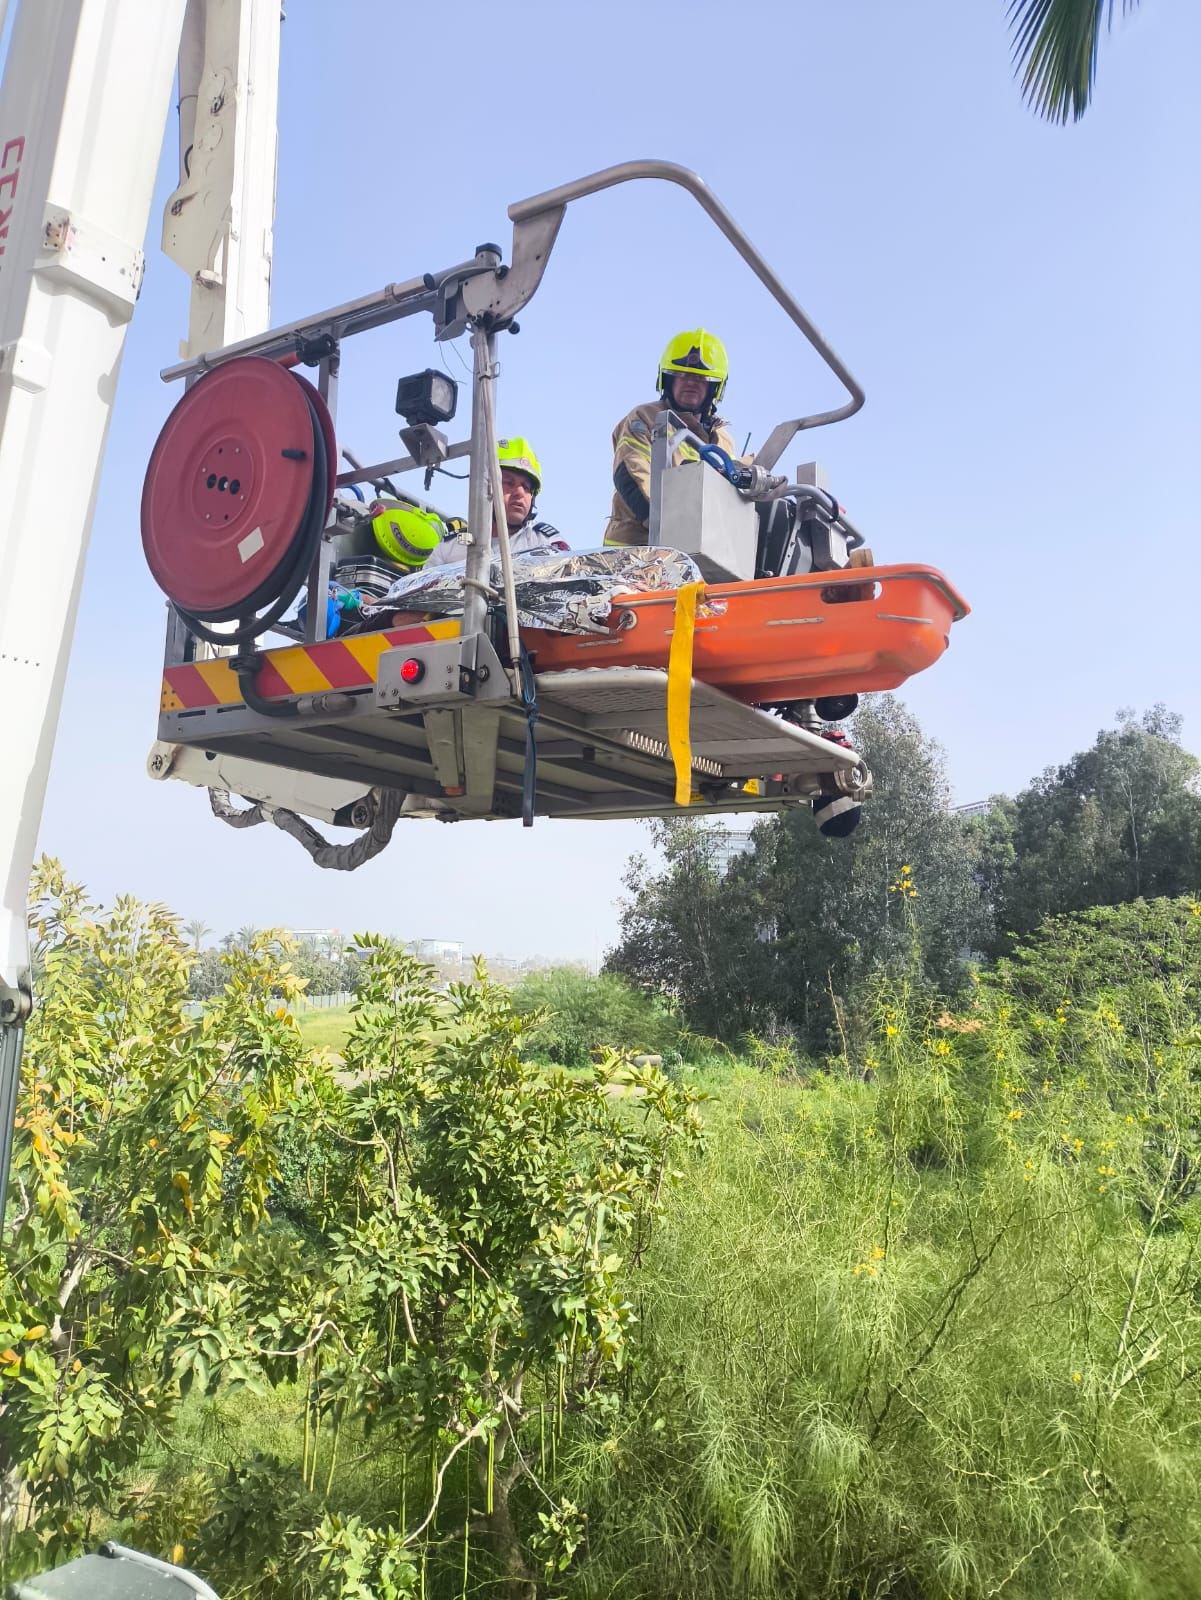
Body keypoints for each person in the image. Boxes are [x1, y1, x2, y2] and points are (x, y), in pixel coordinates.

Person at [605, 329, 743, 548]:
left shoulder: (723, 440)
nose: (691, 382)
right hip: (637, 550)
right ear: (668, 379)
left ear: (714, 387)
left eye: (700, 378)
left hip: (702, 552)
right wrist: (672, 523)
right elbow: (631, 471)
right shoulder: (646, 417)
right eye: (683, 375)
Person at [426, 436, 568, 566]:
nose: (520, 493)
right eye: (508, 482)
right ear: (484, 487)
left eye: (526, 487)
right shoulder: (448, 549)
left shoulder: (545, 541)